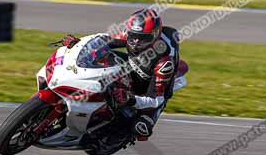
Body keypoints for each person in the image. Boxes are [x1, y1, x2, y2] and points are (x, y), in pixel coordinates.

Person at [60, 8, 187, 140]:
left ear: (155, 35)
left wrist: (130, 99)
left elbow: (156, 99)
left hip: (152, 86)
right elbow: (103, 39)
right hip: (134, 66)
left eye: (142, 38)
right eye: (133, 36)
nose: (136, 42)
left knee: (141, 128)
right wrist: (78, 43)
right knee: (102, 57)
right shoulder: (131, 34)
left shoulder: (164, 61)